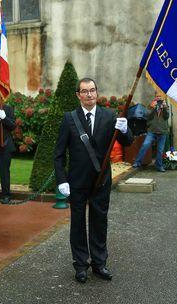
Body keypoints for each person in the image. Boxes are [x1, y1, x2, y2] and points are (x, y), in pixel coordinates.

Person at [54, 78, 133, 283]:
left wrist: (125, 129)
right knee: (78, 224)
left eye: (92, 90)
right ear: (78, 95)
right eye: (85, 91)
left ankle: (99, 264)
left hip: (101, 180)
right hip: (77, 181)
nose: (89, 95)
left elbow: (127, 142)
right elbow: (59, 154)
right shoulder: (69, 118)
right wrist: (62, 179)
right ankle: (80, 265)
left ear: (97, 93)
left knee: (99, 222)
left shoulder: (109, 116)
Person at [132, 92, 169, 172]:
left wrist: (165, 108)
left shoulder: (166, 106)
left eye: (160, 96)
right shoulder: (151, 105)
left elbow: (167, 116)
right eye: (157, 96)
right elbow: (147, 116)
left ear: (163, 98)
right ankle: (137, 162)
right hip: (152, 130)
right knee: (145, 145)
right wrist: (153, 108)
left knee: (160, 150)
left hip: (162, 131)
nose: (159, 98)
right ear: (155, 97)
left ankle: (159, 165)